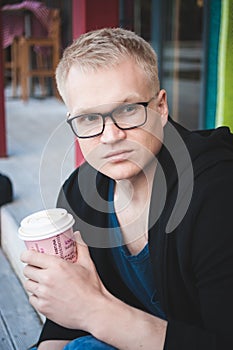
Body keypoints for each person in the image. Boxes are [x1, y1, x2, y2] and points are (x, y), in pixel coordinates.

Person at [21, 27, 233, 350]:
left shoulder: (215, 193)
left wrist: (93, 308)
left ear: (160, 108)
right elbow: (59, 330)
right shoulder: (80, 193)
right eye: (89, 119)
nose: (110, 137)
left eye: (128, 110)